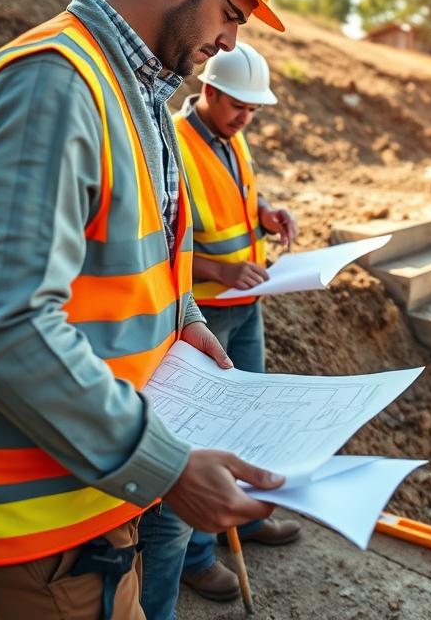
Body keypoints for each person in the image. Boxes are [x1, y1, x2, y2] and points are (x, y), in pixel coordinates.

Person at [0, 0, 287, 619]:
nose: (231, 43)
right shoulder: (55, 87)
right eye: (231, 14)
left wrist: (184, 315)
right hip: (35, 538)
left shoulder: (138, 96)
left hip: (91, 505)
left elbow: (123, 258)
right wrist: (165, 468)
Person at [138, 42, 300, 611]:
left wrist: (266, 211)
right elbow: (166, 237)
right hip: (202, 314)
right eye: (239, 107)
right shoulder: (173, 144)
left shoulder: (231, 137)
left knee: (242, 423)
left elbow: (233, 199)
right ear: (209, 91)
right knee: (206, 435)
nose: (246, 118)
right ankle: (198, 557)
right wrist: (220, 269)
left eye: (254, 110)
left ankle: (242, 520)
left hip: (246, 304)